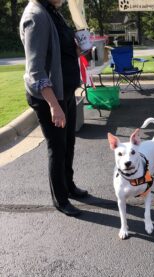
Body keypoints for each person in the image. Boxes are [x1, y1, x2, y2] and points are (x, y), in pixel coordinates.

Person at [20, 0, 88, 216]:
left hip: (65, 92)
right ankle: (60, 199)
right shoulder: (36, 16)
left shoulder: (53, 12)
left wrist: (77, 49)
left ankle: (69, 185)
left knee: (69, 143)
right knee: (57, 149)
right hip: (50, 98)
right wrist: (53, 105)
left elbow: (58, 53)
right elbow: (35, 71)